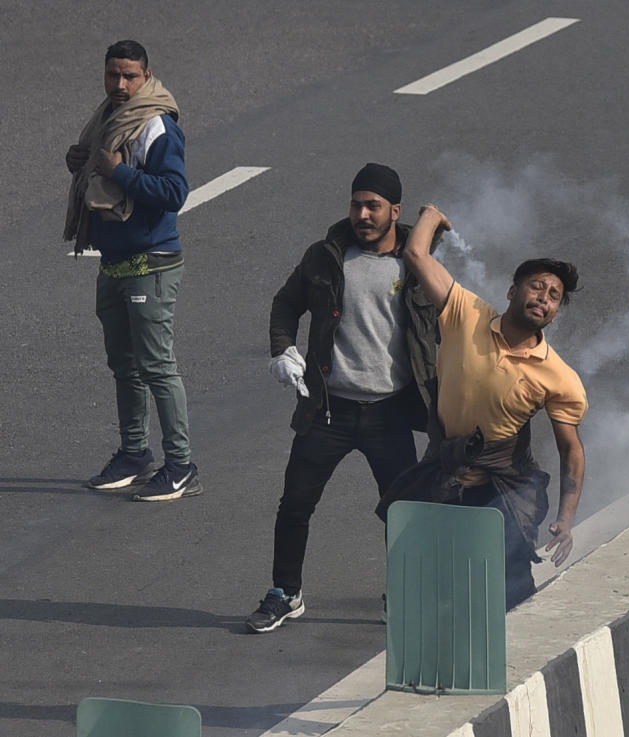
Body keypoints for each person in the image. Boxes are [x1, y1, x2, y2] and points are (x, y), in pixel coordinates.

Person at [246, 164, 438, 634]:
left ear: (394, 211)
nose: (362, 214)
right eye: (356, 204)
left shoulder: (417, 265)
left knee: (403, 512)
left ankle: (404, 594)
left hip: (390, 413)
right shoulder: (326, 257)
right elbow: (285, 302)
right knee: (295, 504)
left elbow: (455, 317)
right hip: (327, 409)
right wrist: (281, 349)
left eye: (373, 206)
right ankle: (285, 593)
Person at [376, 203, 587, 610]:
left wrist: (566, 517)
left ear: (555, 314)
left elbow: (571, 450)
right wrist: (432, 217)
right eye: (537, 286)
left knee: (512, 589)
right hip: (443, 474)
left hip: (502, 491)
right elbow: (416, 255)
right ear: (513, 291)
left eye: (554, 296)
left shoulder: (559, 377)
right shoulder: (465, 313)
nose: (543, 298)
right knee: (423, 574)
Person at [64, 40, 200, 502]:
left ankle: (181, 466)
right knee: (124, 365)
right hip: (115, 263)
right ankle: (135, 453)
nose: (119, 85)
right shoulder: (107, 119)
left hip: (152, 264)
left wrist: (118, 173)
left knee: (157, 367)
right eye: (112, 75)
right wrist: (81, 167)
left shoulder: (157, 126)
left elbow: (174, 192)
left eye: (129, 76)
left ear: (146, 76)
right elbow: (100, 175)